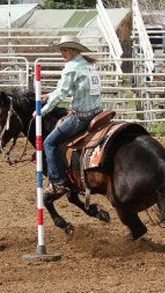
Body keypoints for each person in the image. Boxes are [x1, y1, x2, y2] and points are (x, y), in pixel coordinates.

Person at [34, 35, 102, 196]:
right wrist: (50, 95)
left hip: (82, 116)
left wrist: (42, 111)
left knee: (49, 143)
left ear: (72, 50)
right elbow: (71, 88)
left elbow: (62, 94)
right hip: (97, 112)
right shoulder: (87, 65)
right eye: (61, 50)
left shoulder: (71, 67)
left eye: (64, 50)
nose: (62, 53)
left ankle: (57, 182)